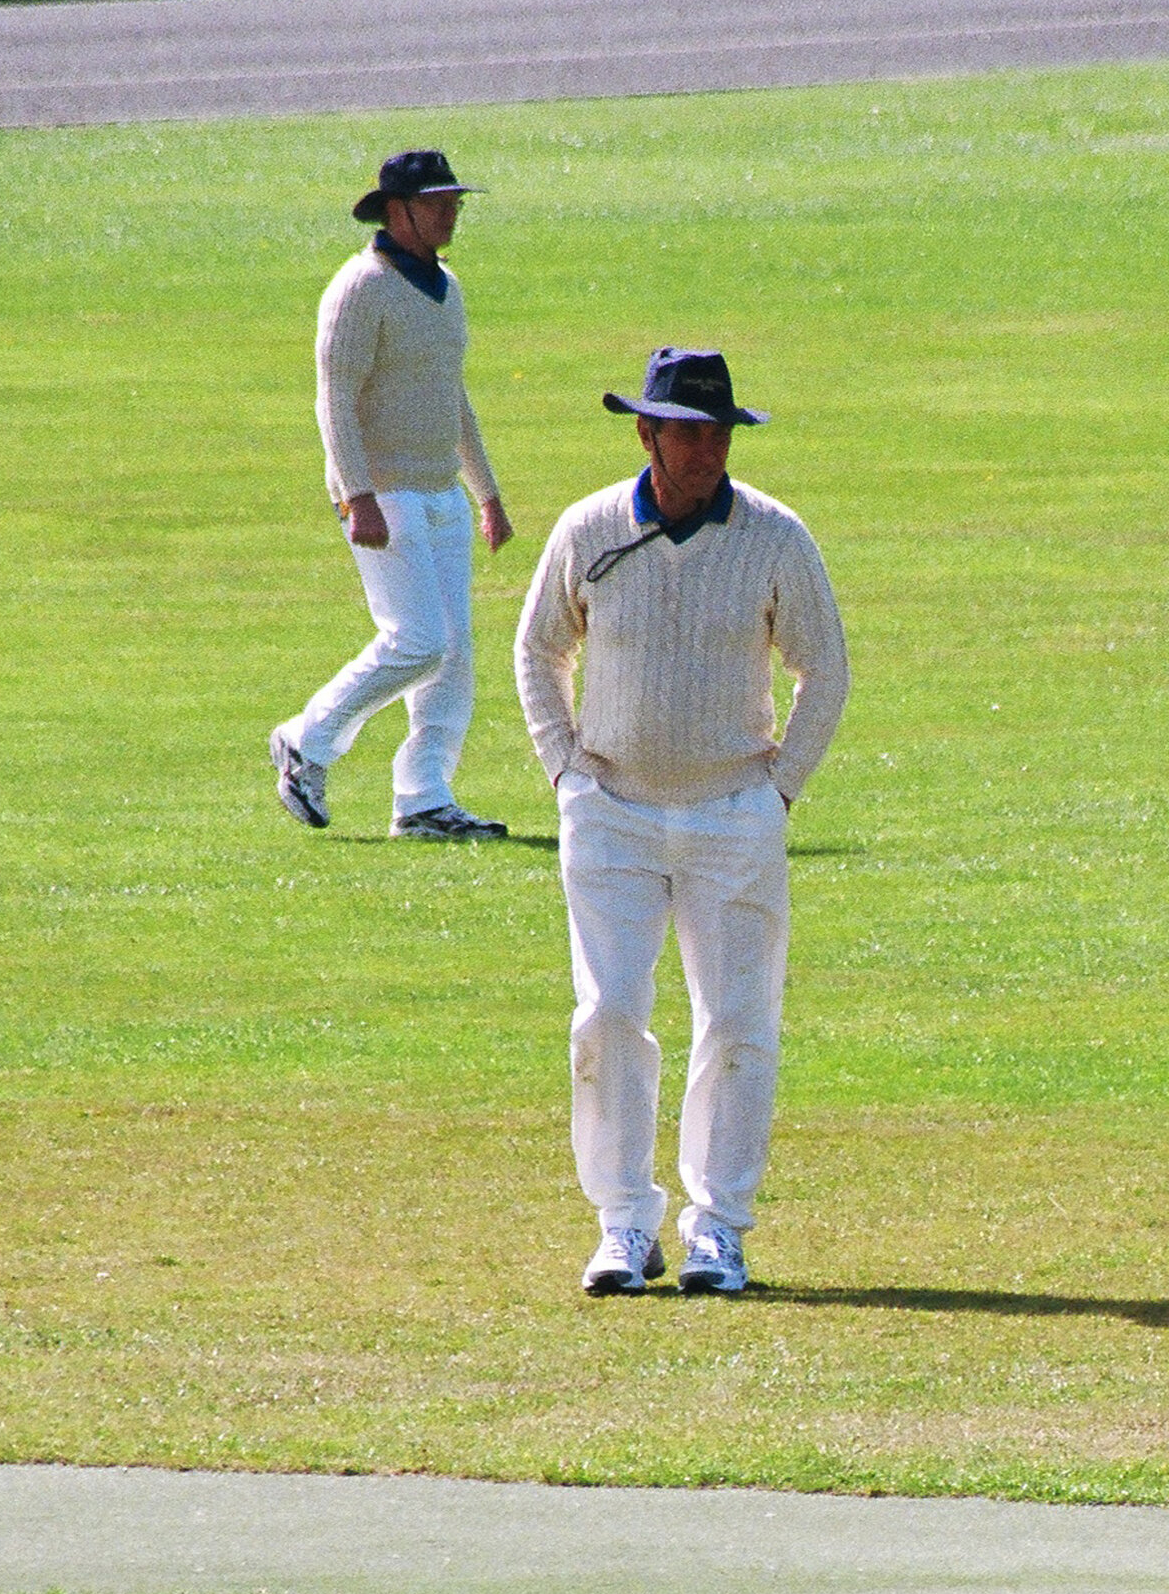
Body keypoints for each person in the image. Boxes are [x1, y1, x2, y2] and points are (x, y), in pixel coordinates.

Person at [513, 349, 851, 1298]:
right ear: (645, 432)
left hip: (732, 814)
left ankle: (719, 1230)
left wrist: (776, 789)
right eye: (685, 432)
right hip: (609, 812)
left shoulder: (774, 537)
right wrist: (565, 770)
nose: (703, 452)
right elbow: (538, 650)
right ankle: (623, 1223)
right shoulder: (589, 529)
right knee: (609, 1013)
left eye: (716, 433)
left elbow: (823, 668)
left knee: (738, 1022)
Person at [270, 149, 516, 842]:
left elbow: (450, 395)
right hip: (383, 492)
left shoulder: (447, 288)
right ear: (397, 210)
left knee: (454, 656)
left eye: (454, 200)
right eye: (438, 201)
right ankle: (305, 740)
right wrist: (357, 494)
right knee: (418, 641)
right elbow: (334, 400)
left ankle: (424, 797)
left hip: (440, 492)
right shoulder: (359, 288)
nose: (451, 212)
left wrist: (487, 491)